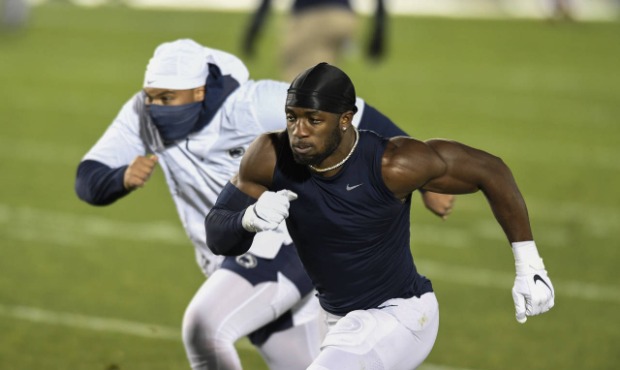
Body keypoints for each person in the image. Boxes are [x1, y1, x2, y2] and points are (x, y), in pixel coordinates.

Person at [75, 39, 454, 370]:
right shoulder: (141, 113)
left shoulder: (253, 103)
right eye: (151, 97)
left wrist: (425, 182)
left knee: (205, 327)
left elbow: (359, 115)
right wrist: (120, 179)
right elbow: (88, 180)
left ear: (199, 92)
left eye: (167, 99)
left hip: (282, 242)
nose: (156, 107)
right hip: (227, 251)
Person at [205, 62, 555, 369]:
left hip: (400, 313)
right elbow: (218, 237)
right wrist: (247, 220)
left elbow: (491, 170)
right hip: (333, 318)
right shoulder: (269, 154)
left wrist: (529, 265)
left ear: (346, 119)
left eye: (314, 120)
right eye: (292, 117)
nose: (299, 131)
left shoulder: (393, 163)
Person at [242, 0, 387, 81]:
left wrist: (255, 27)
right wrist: (379, 28)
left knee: (302, 86)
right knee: (324, 82)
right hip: (344, 18)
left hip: (312, 17)